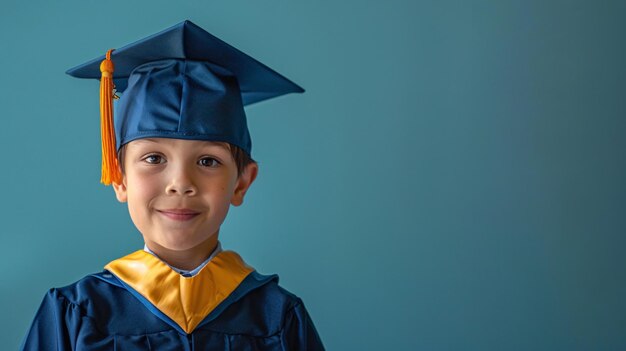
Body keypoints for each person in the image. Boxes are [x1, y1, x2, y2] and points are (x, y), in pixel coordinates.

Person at [21, 20, 325, 350]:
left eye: (208, 161)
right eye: (154, 158)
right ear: (119, 178)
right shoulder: (74, 314)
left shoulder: (278, 318)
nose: (180, 183)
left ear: (242, 183)